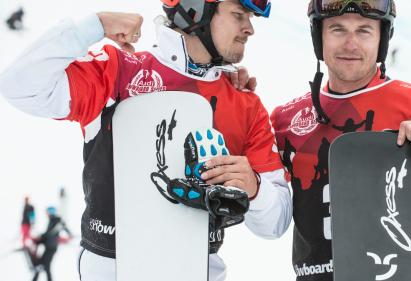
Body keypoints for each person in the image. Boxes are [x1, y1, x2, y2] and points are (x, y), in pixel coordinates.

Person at [0, 0, 292, 280]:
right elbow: (20, 86)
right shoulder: (119, 71)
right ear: (195, 9)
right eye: (239, 14)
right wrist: (95, 26)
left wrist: (254, 188)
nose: (249, 29)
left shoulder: (245, 104)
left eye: (250, 18)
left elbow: (275, 223)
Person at [270, 1, 411, 280]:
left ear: (383, 39)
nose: (350, 44)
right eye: (337, 30)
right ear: (317, 36)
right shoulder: (286, 119)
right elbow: (271, 223)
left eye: (364, 31)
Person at [32, 206, 72, 281]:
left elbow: (49, 233)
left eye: (47, 212)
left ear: (50, 212)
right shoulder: (54, 220)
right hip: (50, 246)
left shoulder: (55, 220)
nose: (46, 214)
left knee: (43, 266)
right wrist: (39, 240)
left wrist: (39, 239)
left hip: (51, 247)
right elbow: (49, 234)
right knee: (42, 265)